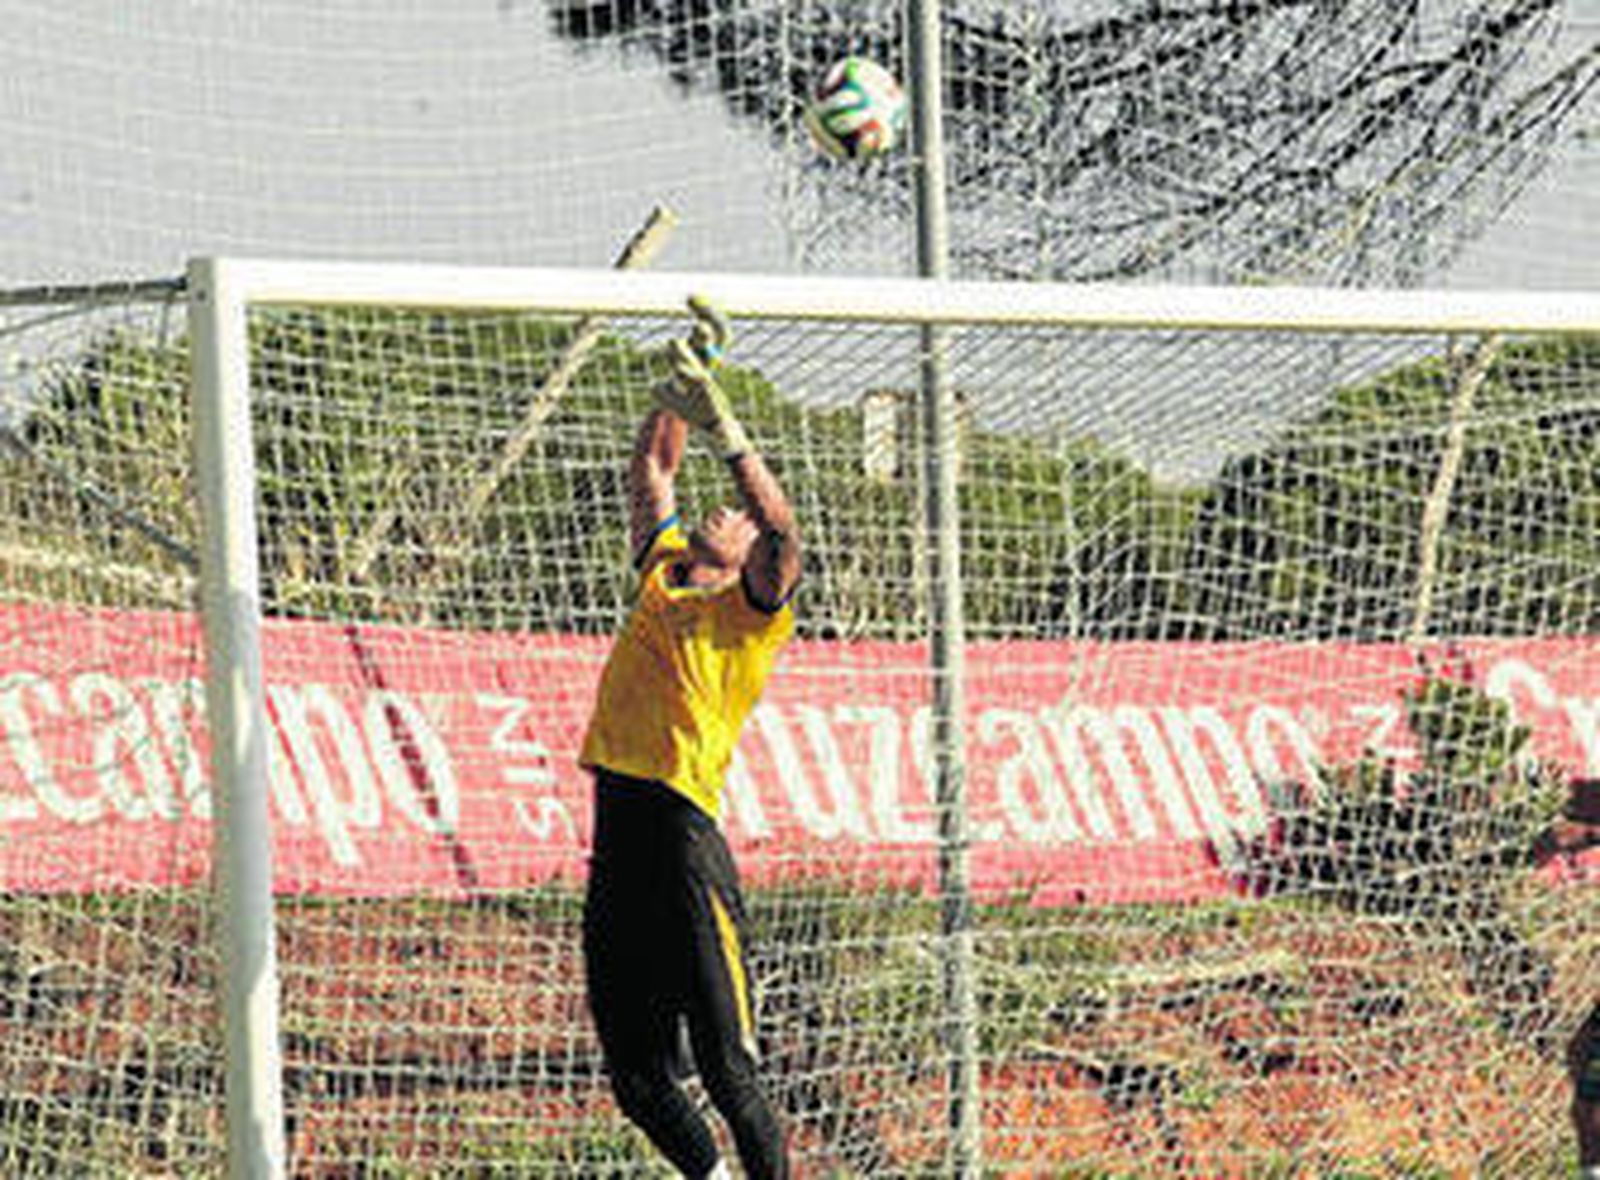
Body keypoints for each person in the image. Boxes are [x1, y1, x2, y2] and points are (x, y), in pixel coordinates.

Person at [580, 296, 801, 1180]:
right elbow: (651, 465)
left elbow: (782, 529)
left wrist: (729, 428)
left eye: (735, 515)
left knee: (727, 1066)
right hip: (617, 836)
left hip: (682, 840)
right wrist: (684, 377)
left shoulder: (749, 614)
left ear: (745, 551)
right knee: (637, 1077)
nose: (725, 512)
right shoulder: (665, 576)